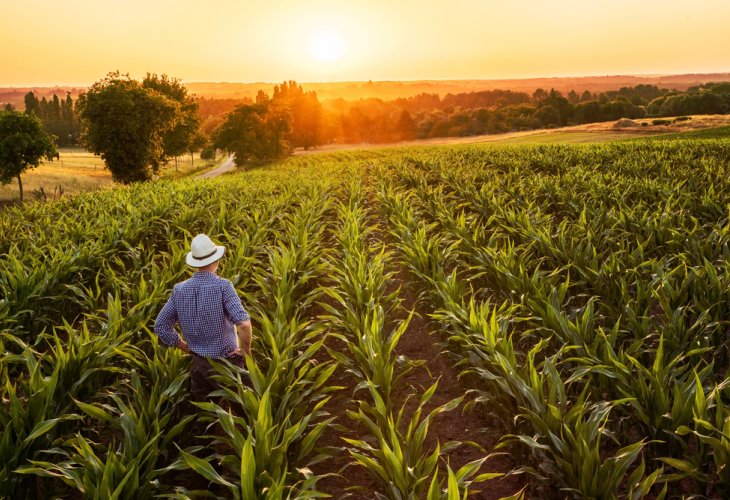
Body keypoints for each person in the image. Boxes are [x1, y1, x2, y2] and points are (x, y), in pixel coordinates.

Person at [154, 233, 253, 400]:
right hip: (227, 364)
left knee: (206, 413)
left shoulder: (179, 290)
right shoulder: (223, 286)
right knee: (245, 409)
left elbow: (160, 326)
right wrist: (246, 350)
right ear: (217, 260)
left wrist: (185, 347)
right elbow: (244, 324)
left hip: (199, 366)